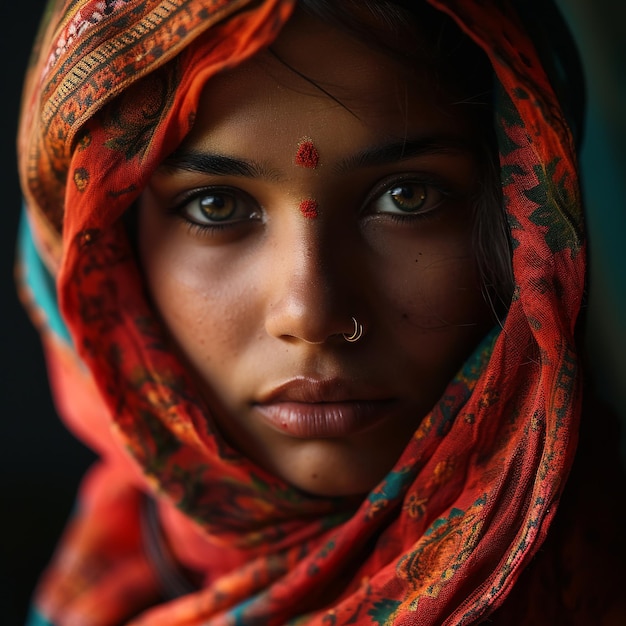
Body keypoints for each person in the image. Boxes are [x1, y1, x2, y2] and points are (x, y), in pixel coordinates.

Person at [15, 0, 625, 624]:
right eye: (216, 206)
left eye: (407, 196)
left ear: (524, 210)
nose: (311, 314)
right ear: (106, 253)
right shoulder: (99, 585)